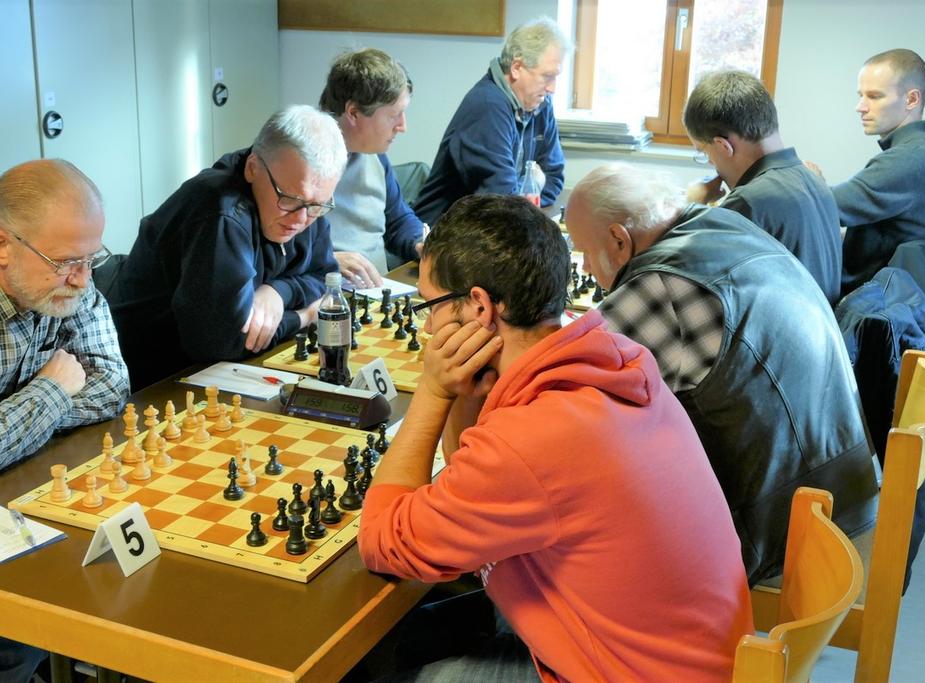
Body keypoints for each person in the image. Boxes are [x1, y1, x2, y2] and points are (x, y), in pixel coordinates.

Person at [358, 194, 753, 681]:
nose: (429, 325)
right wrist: (466, 394)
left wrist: (433, 391)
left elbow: (382, 542)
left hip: (624, 674)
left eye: (431, 306)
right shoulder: (616, 360)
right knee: (420, 631)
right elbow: (469, 472)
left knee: (377, 668)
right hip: (686, 658)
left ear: (478, 306)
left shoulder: (534, 437)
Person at [566, 163, 879, 585]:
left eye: (584, 251)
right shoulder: (724, 223)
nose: (585, 266)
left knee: (582, 527)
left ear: (619, 240)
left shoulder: (662, 286)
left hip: (787, 534)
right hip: (843, 493)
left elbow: (564, 393)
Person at [0, 159, 129, 681]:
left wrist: (6, 421)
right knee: (10, 632)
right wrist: (52, 388)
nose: (82, 281)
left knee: (107, 576)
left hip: (0, 490)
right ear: (1, 246)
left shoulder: (58, 267)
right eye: (66, 263)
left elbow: (111, 386)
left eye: (91, 260)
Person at [110, 105, 346, 390]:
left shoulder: (304, 201)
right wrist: (305, 315)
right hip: (159, 382)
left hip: (225, 371)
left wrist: (278, 292)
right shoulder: (220, 213)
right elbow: (225, 341)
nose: (300, 219)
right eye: (290, 199)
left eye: (318, 206)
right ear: (252, 168)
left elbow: (326, 276)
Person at [683, 70, 842, 303]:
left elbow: (687, 280)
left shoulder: (750, 201)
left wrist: (690, 207)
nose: (710, 163)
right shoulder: (813, 180)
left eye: (704, 152)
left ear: (722, 145)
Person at [412, 18, 569, 225]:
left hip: (497, 226)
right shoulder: (487, 106)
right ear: (516, 67)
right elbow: (500, 196)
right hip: (445, 237)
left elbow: (554, 174)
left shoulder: (540, 103)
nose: (552, 88)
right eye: (547, 76)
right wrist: (526, 200)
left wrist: (527, 202)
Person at [820, 49, 925, 295]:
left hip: (872, 315)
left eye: (874, 96)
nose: (860, 107)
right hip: (892, 309)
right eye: (861, 95)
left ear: (911, 99)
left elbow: (825, 207)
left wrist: (808, 180)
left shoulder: (910, 159)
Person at [318, 48, 428, 288]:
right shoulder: (298, 160)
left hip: (379, 293)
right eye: (394, 115)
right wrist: (325, 260)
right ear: (354, 113)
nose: (402, 126)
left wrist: (421, 242)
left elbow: (397, 220)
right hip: (326, 299)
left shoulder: (375, 156)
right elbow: (272, 252)